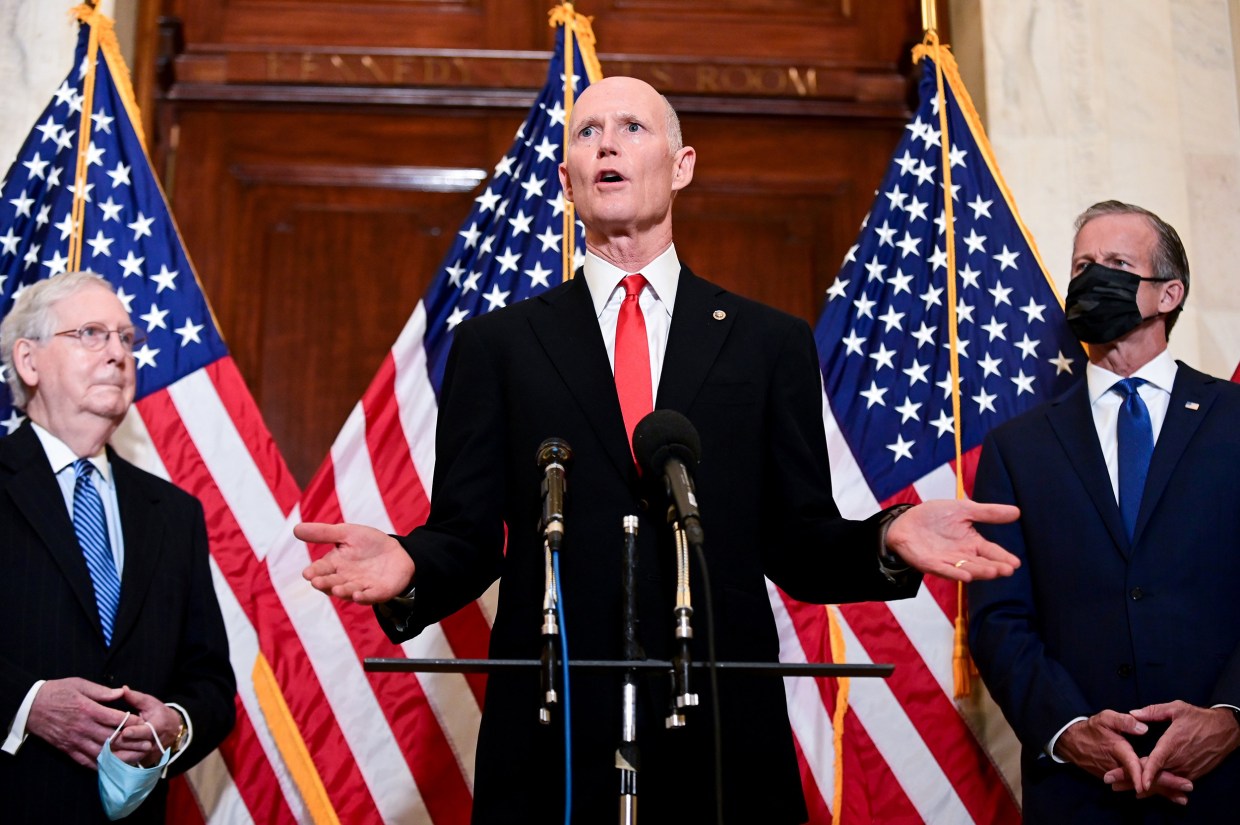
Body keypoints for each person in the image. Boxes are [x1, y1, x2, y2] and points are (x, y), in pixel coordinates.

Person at [299, 76, 1020, 824]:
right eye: (588, 133)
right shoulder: (499, 346)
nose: (607, 143)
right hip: (556, 725)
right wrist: (410, 562)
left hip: (718, 730)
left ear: (682, 166)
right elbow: (469, 534)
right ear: (566, 181)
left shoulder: (768, 344)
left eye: (633, 129)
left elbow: (799, 541)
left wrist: (889, 537)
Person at [969, 201, 1240, 822]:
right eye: (1082, 265)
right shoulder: (1018, 447)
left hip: (1225, 784)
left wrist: (1230, 717)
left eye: (1117, 264)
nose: (1093, 278)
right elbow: (999, 618)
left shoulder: (1234, 419)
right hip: (1081, 793)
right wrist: (1068, 729)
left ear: (1169, 293)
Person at [0, 272, 235, 823]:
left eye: (127, 339)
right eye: (91, 334)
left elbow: (210, 682)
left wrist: (174, 723)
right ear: (29, 362)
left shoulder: (174, 513)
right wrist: (27, 704)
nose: (117, 354)